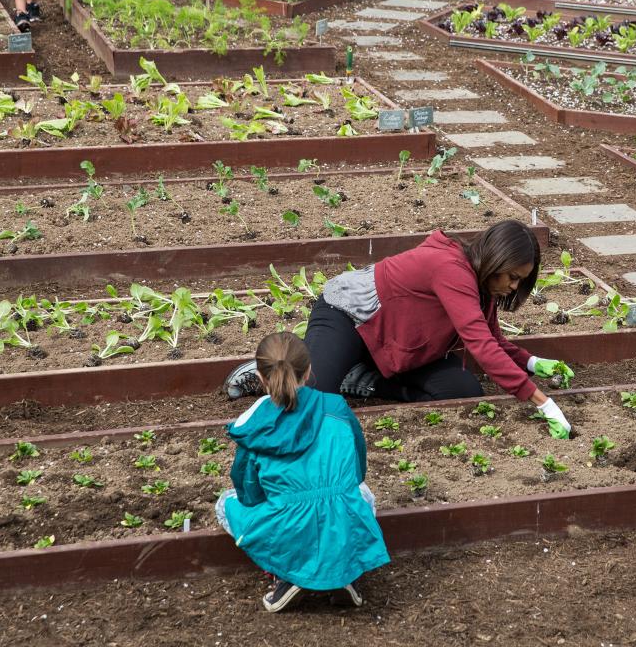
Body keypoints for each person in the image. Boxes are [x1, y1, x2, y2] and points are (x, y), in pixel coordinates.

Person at [225, 220, 576, 435]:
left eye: (521, 281)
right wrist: (542, 402)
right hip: (350, 317)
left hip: (393, 341)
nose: (514, 287)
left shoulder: (482, 287)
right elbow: (482, 347)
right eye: (513, 277)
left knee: (462, 388)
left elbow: (492, 339)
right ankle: (272, 372)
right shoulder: (452, 269)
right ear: (496, 260)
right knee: (311, 400)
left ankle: (356, 377)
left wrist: (531, 363)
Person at [215, 332, 390, 613]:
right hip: (341, 515)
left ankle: (286, 575)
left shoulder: (254, 423)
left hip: (286, 525)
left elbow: (249, 491)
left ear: (260, 377)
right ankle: (344, 573)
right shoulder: (336, 407)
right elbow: (357, 470)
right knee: (363, 494)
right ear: (308, 372)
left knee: (225, 503)